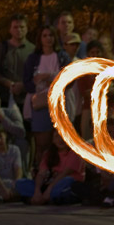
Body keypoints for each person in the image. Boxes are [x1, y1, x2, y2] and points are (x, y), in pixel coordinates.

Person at [23, 25, 70, 168]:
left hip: (58, 103)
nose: (48, 38)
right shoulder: (33, 58)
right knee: (41, 144)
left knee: (58, 141)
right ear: (40, 39)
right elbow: (27, 82)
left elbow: (70, 78)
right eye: (45, 35)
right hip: (40, 104)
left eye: (51, 35)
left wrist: (50, 77)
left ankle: (56, 169)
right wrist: (39, 84)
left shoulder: (62, 56)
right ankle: (39, 170)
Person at [15, 130, 85, 205]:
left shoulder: (75, 152)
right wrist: (37, 191)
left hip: (63, 184)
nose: (60, 140)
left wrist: (48, 190)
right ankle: (44, 198)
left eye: (63, 136)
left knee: (68, 181)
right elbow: (41, 173)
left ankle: (40, 199)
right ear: (53, 140)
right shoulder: (49, 153)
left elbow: (64, 174)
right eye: (57, 137)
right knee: (20, 183)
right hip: (48, 185)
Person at [0, 14, 35, 109]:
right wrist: (10, 84)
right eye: (15, 27)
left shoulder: (33, 50)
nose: (19, 30)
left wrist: (23, 85)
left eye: (22, 27)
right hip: (5, 98)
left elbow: (37, 73)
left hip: (27, 99)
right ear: (10, 29)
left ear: (27, 28)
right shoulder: (2, 48)